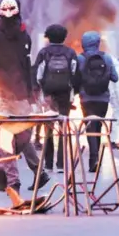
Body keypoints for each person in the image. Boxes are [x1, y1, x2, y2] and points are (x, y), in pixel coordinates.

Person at [0, 0, 50, 195]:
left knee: (3, 138)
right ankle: (32, 173)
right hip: (20, 94)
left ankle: (10, 182)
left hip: (3, 94)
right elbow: (26, 67)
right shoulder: (24, 36)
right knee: (19, 134)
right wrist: (31, 94)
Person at [33, 24, 80, 172]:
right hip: (65, 94)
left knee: (48, 128)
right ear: (64, 37)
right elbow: (75, 74)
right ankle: (61, 164)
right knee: (63, 128)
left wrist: (42, 92)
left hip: (48, 94)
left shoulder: (43, 52)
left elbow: (38, 75)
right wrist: (73, 93)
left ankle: (48, 164)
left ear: (48, 36)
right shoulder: (70, 53)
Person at [77, 31, 118, 172]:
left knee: (90, 128)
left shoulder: (80, 58)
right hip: (103, 99)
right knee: (99, 128)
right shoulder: (106, 58)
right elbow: (115, 78)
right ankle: (97, 159)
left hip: (86, 98)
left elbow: (75, 78)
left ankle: (93, 160)